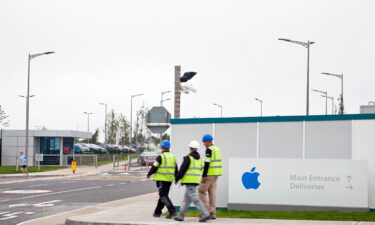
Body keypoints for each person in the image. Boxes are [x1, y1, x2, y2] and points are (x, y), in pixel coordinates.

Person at [174, 140, 210, 223]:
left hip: (189, 181)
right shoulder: (200, 159)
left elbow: (182, 170)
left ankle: (205, 214)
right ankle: (180, 216)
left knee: (195, 199)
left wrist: (177, 178)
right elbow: (202, 168)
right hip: (195, 181)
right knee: (186, 200)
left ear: (190, 148)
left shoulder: (188, 158)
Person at [147, 140, 178, 219]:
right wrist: (176, 178)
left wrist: (149, 173)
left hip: (161, 180)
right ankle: (157, 212)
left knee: (163, 196)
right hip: (169, 180)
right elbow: (176, 169)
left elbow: (154, 166)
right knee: (163, 196)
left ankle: (172, 211)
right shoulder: (173, 157)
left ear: (163, 147)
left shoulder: (160, 157)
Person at [198, 134, 222, 219]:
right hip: (216, 174)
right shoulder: (217, 149)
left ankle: (205, 212)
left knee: (201, 191)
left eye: (204, 142)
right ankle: (212, 212)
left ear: (208, 142)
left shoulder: (209, 150)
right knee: (212, 193)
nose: (204, 144)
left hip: (209, 174)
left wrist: (204, 175)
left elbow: (207, 163)